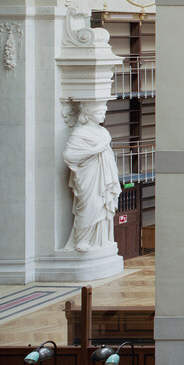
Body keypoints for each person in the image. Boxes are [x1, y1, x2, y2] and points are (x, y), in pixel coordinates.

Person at [63, 100, 123, 253]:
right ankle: (81, 239)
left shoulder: (104, 132)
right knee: (90, 206)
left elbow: (107, 153)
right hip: (88, 175)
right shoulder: (80, 133)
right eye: (99, 113)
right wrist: (95, 150)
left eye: (104, 112)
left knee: (102, 206)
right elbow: (69, 156)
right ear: (89, 115)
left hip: (104, 175)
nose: (103, 115)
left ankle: (100, 240)